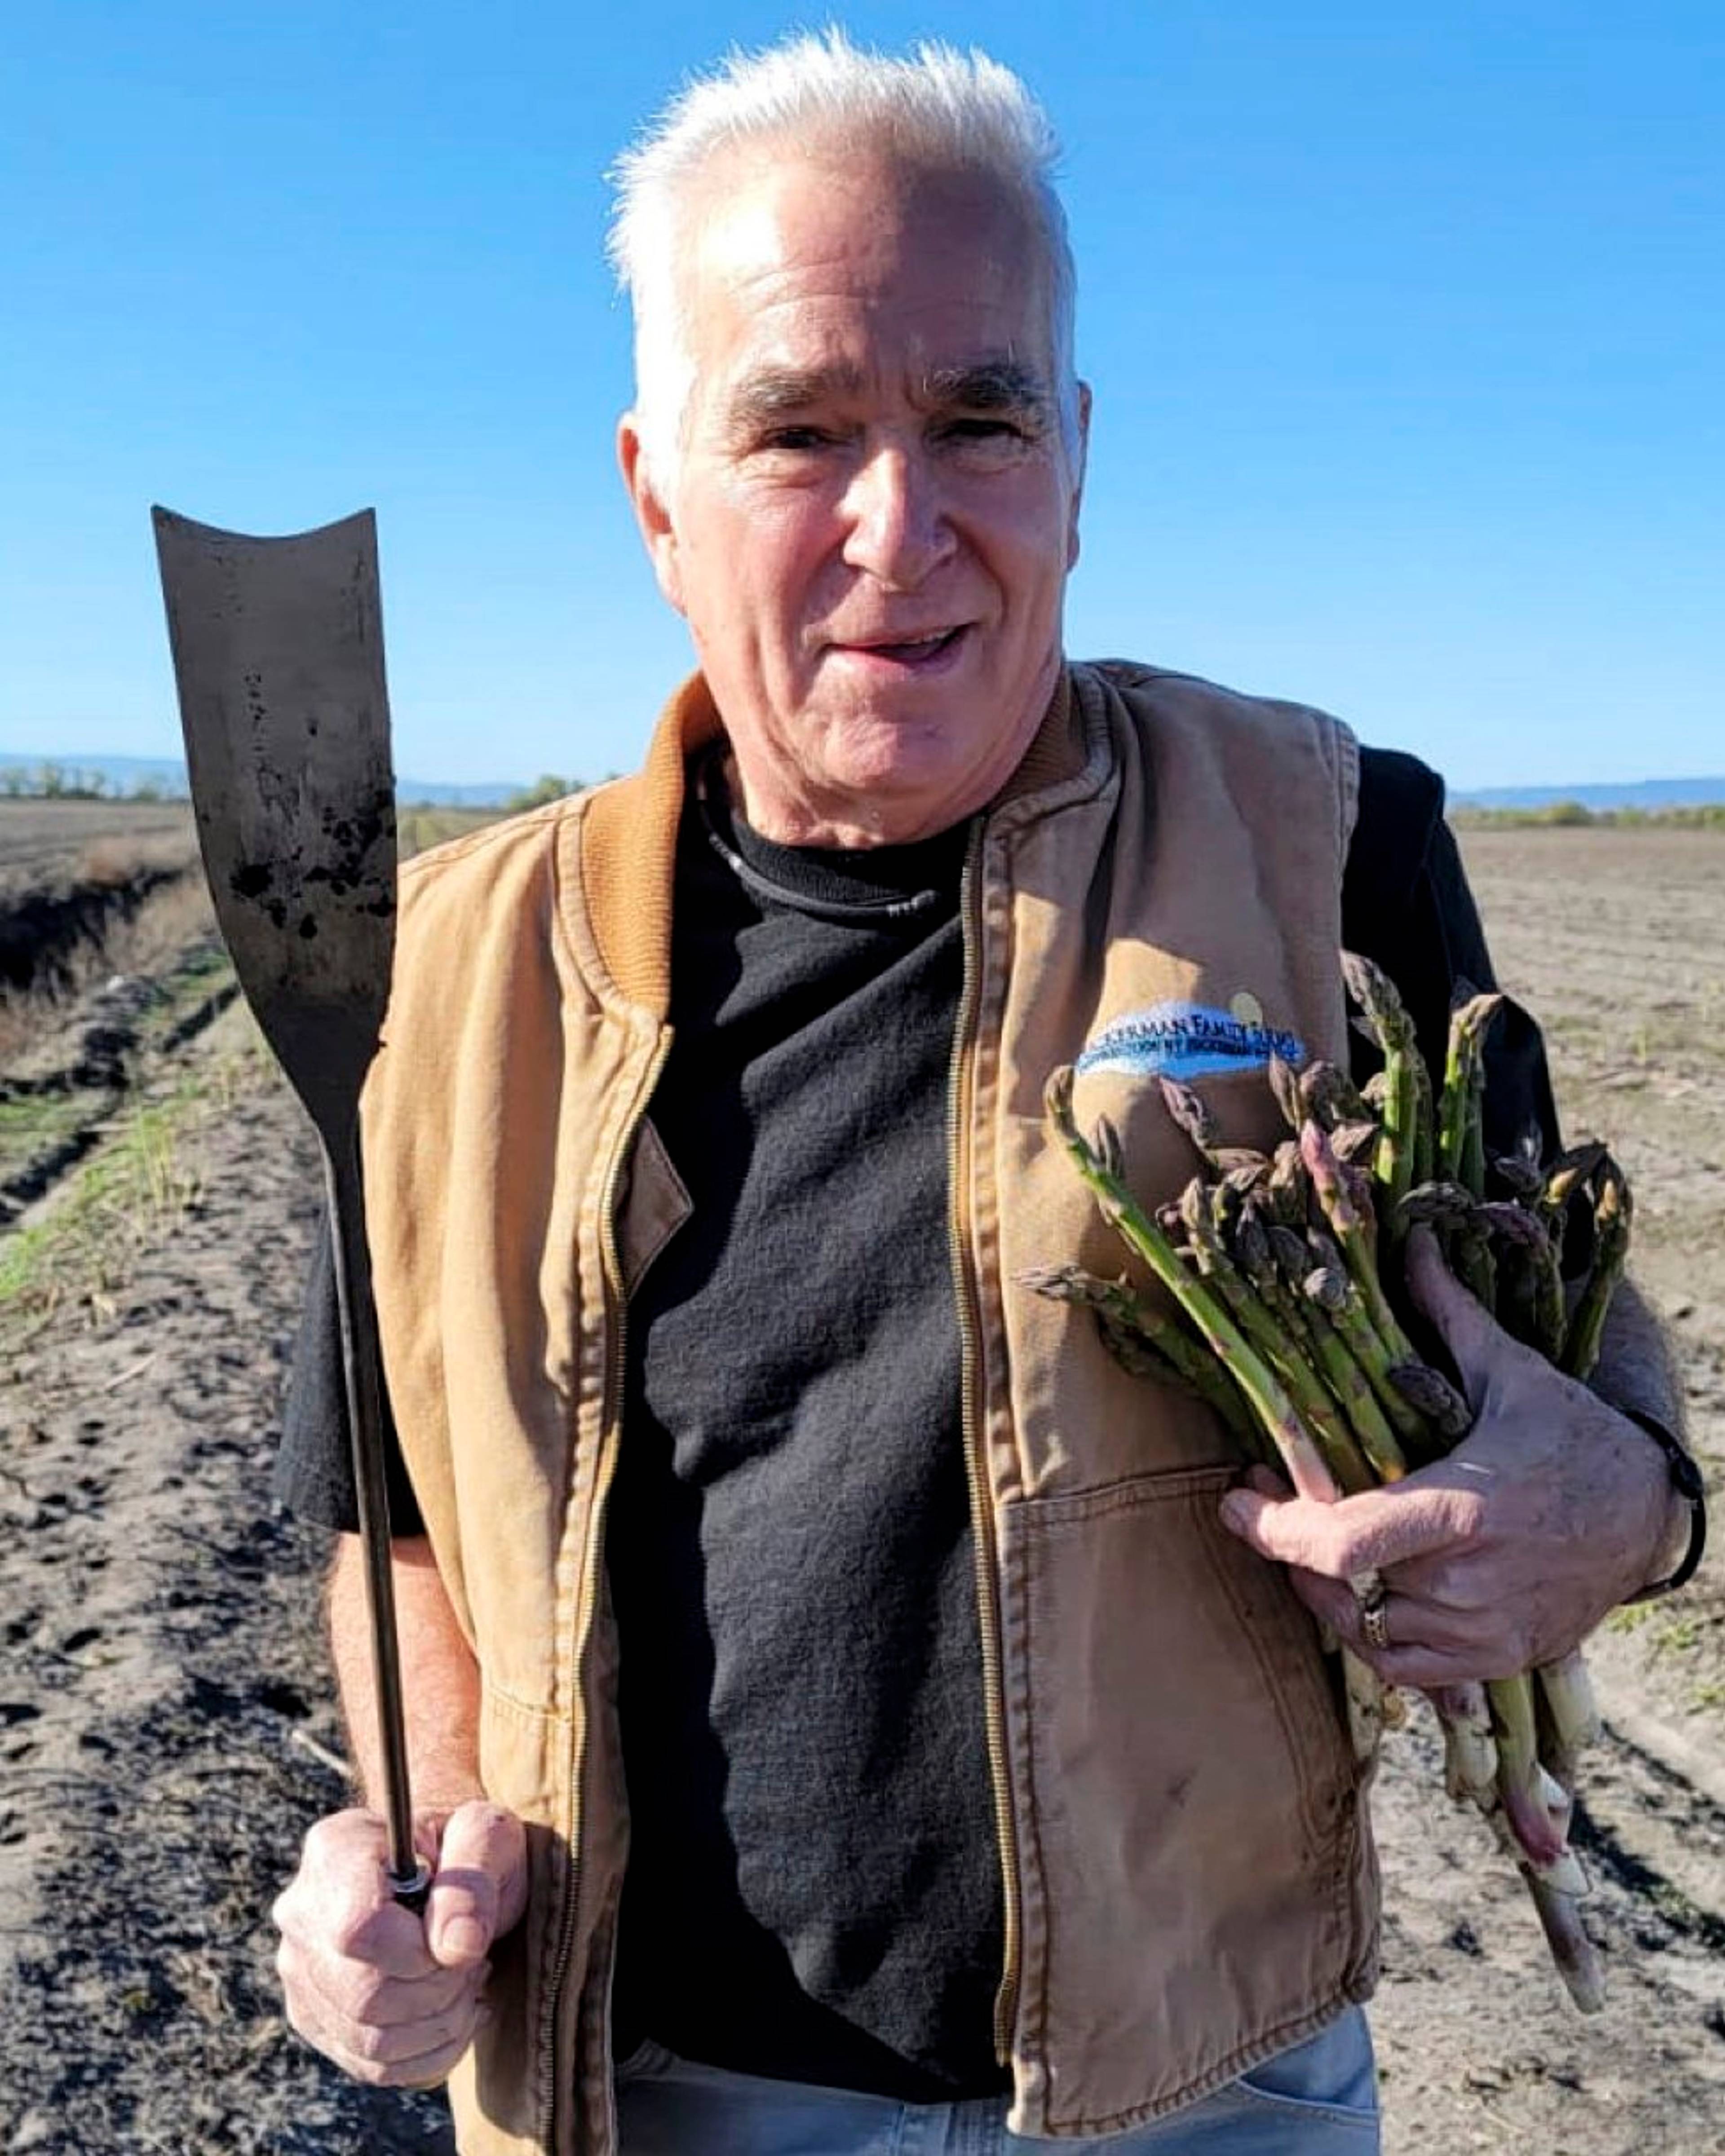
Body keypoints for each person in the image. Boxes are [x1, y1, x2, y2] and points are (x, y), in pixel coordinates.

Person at [269, 31, 1700, 2156]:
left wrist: (1627, 1502)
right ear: (656, 490)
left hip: (1212, 2089)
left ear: (1080, 457)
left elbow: (1552, 1318)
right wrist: (413, 1845)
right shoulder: (441, 973)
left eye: (977, 417)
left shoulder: (1324, 841)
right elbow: (396, 1524)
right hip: (641, 2096)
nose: (899, 525)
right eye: (798, 430)